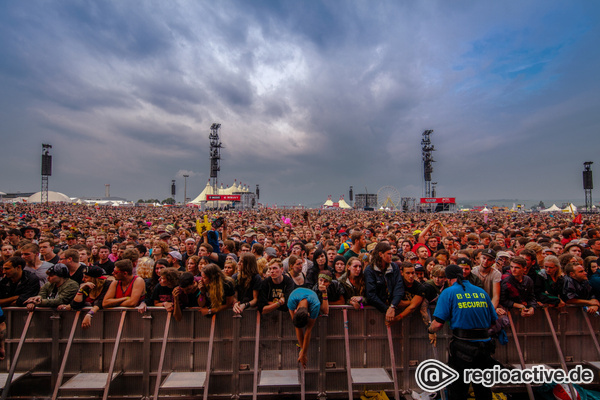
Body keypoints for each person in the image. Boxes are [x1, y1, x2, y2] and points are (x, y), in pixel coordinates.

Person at [428, 264, 498, 400]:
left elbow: (438, 324)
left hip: (462, 348)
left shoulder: (448, 293)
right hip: (484, 346)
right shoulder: (481, 292)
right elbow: (493, 321)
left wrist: (429, 329)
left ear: (448, 279)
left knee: (458, 388)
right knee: (483, 388)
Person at [288, 286, 328, 368]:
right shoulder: (291, 301)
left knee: (308, 330)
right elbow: (297, 327)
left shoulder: (315, 305)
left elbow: (308, 331)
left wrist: (304, 353)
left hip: (312, 297)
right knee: (298, 327)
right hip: (296, 293)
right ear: (295, 311)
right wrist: (303, 352)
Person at [364, 242, 404, 324]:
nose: (391, 256)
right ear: (380, 254)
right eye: (388, 254)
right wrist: (386, 309)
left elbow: (399, 287)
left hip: (393, 306)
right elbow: (371, 294)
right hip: (377, 309)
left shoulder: (394, 267)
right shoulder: (370, 270)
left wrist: (392, 306)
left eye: (391, 254)